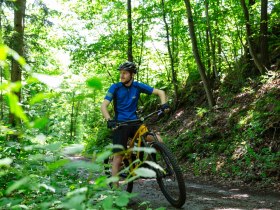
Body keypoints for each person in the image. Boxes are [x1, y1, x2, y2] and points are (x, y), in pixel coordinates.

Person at [100, 61, 169, 187]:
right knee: (118, 158)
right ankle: (115, 192)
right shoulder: (115, 87)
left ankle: (147, 163)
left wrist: (164, 104)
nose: (122, 76)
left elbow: (161, 92)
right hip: (120, 124)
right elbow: (104, 106)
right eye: (121, 73)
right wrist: (109, 120)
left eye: (125, 73)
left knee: (158, 139)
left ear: (132, 75)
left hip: (135, 123)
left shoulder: (137, 86)